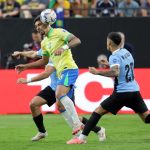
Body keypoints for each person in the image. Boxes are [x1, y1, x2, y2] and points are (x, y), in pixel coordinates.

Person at [67, 32, 150, 144]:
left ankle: (81, 139)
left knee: (98, 111)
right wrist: (109, 64)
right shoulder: (126, 52)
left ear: (110, 42)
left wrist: (97, 72)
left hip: (122, 92)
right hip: (134, 90)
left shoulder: (114, 56)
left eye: (107, 40)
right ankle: (85, 137)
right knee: (146, 118)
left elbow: (116, 72)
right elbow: (123, 66)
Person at [15, 14, 90, 137]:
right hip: (61, 74)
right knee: (59, 105)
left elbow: (76, 40)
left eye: (39, 24)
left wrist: (64, 47)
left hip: (69, 69)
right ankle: (80, 134)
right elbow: (41, 59)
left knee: (59, 95)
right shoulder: (45, 42)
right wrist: (23, 60)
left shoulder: (59, 32)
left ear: (46, 22)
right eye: (36, 26)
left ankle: (77, 124)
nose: (37, 28)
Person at [13, 49, 106, 141]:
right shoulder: (47, 46)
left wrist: (27, 80)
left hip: (64, 86)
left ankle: (97, 130)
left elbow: (46, 73)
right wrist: (21, 53)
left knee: (75, 118)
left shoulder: (57, 54)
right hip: (53, 87)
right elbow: (34, 54)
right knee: (33, 104)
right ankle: (42, 132)